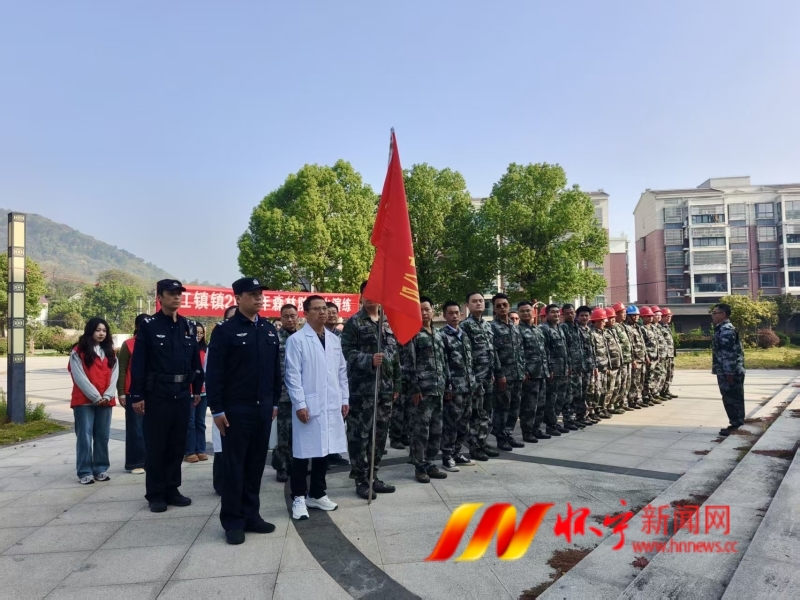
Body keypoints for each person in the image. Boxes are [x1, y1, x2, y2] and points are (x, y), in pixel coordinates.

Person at [206, 277, 281, 544]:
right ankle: (233, 521)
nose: (259, 298)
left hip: (263, 409)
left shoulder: (269, 330)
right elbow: (214, 373)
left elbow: (275, 371)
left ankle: (252, 515)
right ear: (238, 298)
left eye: (261, 294)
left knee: (256, 464)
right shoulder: (225, 331)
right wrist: (217, 409)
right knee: (234, 466)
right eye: (253, 294)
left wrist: (274, 402)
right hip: (236, 410)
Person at [129, 280, 204, 512]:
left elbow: (195, 360)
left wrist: (197, 388)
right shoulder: (149, 326)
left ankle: (172, 489)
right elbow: (139, 362)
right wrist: (137, 395)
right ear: (159, 297)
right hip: (157, 393)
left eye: (179, 293)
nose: (176, 297)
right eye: (171, 293)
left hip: (181, 393)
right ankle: (155, 493)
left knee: (177, 444)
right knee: (156, 445)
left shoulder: (189, 325)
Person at [285, 295, 349, 519]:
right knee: (303, 452)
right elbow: (292, 375)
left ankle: (318, 493)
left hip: (331, 403)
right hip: (308, 404)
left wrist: (344, 399)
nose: (323, 312)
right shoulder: (297, 340)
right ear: (306, 313)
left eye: (325, 308)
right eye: (317, 309)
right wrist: (299, 403)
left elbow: (341, 372)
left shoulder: (333, 340)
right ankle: (299, 497)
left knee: (325, 449)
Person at [340, 281, 401, 499]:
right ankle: (361, 479)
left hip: (385, 389)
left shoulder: (388, 321)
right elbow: (346, 351)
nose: (370, 297)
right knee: (360, 436)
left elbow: (395, 356)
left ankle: (373, 476)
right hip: (362, 390)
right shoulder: (355, 322)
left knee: (380, 435)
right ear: (361, 296)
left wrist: (397, 383)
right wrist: (368, 359)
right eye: (366, 293)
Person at [401, 296, 449, 483]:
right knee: (420, 431)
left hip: (438, 389)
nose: (424, 312)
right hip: (422, 391)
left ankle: (430, 463)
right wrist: (414, 388)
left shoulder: (438, 334)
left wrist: (447, 385)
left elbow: (444, 362)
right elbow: (408, 364)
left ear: (432, 310)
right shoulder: (412, 334)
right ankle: (419, 467)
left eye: (427, 309)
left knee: (436, 430)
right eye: (420, 310)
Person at [69, 318, 118, 484]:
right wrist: (96, 397)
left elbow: (115, 375)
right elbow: (79, 377)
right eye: (98, 330)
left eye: (104, 330)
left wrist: (108, 395)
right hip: (84, 401)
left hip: (106, 401)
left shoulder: (110, 352)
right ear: (90, 331)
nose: (101, 333)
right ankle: (85, 472)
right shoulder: (78, 352)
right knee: (84, 436)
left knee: (102, 436)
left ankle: (100, 468)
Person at [461, 292, 500, 461]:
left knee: (486, 413)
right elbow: (464, 355)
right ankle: (474, 447)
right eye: (474, 301)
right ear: (467, 305)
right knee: (475, 414)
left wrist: (495, 372)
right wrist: (471, 378)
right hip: (475, 378)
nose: (478, 304)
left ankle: (482, 442)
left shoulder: (487, 325)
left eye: (481, 301)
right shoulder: (465, 326)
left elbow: (492, 351)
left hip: (488, 377)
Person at [439, 300, 476, 470]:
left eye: (457, 313)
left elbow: (470, 361)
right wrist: (447, 387)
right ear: (444, 315)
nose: (454, 316)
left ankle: (457, 452)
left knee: (464, 423)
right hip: (453, 388)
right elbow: (443, 363)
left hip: (468, 386)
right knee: (451, 423)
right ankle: (447, 456)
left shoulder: (464, 335)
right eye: (450, 313)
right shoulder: (442, 336)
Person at [489, 293, 525, 450]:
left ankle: (509, 434)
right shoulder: (492, 327)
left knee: (514, 408)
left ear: (509, 306)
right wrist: (500, 374)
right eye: (498, 306)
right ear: (494, 309)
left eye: (505, 304)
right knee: (502, 408)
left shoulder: (514, 326)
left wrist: (522, 370)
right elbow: (493, 353)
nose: (502, 308)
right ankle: (500, 437)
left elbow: (520, 350)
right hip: (504, 376)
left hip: (517, 374)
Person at [117, 313, 149, 474]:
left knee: (151, 428)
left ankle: (149, 460)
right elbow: (122, 369)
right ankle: (135, 462)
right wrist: (121, 392)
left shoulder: (155, 343)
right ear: (137, 326)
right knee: (135, 429)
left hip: (152, 392)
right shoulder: (128, 344)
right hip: (132, 392)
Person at [212, 305, 238, 495]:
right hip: (224, 402)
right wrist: (217, 407)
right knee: (222, 444)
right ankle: (222, 483)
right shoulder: (219, 339)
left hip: (246, 403)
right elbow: (212, 375)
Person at [272, 303, 298, 482]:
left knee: (299, 432)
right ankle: (281, 466)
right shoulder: (275, 338)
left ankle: (297, 464)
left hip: (301, 393)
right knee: (283, 433)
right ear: (280, 318)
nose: (290, 319)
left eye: (293, 316)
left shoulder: (303, 337)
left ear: (298, 317)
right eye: (286, 316)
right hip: (282, 394)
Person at [518, 301, 550, 442]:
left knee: (541, 403)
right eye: (522, 311)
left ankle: (537, 429)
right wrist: (524, 371)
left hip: (541, 372)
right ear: (518, 313)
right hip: (529, 374)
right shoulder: (518, 330)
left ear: (534, 312)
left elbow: (544, 351)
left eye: (528, 310)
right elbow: (518, 353)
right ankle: (527, 432)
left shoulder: (538, 330)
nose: (526, 313)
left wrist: (547, 369)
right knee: (529, 405)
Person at [712, 303, 745, 436]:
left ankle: (736, 424)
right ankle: (737, 423)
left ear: (723, 314)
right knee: (733, 397)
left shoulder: (726, 329)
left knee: (731, 398)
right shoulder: (722, 328)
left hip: (729, 371)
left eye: (715, 313)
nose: (712, 315)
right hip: (728, 369)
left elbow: (728, 353)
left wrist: (729, 372)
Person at [541, 304, 570, 435]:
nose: (556, 314)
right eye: (553, 312)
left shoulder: (560, 328)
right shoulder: (544, 329)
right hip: (553, 370)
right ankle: (550, 425)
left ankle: (555, 422)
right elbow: (545, 350)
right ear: (547, 314)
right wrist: (549, 369)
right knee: (551, 399)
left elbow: (565, 350)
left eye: (558, 312)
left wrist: (567, 366)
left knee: (560, 398)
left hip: (563, 369)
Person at [559, 304, 586, 430]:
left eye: (572, 312)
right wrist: (568, 365)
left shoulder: (576, 327)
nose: (570, 315)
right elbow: (564, 349)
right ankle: (568, 420)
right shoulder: (563, 327)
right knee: (568, 396)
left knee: (577, 394)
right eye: (567, 313)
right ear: (563, 314)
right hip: (569, 368)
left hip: (578, 367)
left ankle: (576, 418)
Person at [185, 323, 209, 463]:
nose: (199, 335)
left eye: (201, 333)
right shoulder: (186, 348)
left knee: (200, 421)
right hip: (189, 391)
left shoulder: (206, 350)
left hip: (203, 391)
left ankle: (201, 449)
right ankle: (189, 451)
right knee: (190, 422)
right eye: (196, 332)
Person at [574, 306, 596, 426]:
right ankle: (578, 416)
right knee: (579, 393)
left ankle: (584, 415)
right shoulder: (575, 330)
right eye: (581, 315)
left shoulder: (589, 330)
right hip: (578, 367)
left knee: (587, 391)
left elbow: (592, 350)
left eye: (586, 315)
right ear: (577, 317)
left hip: (588, 366)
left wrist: (594, 366)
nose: (584, 317)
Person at [588, 308, 611, 419]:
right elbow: (591, 351)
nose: (604, 323)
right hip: (597, 367)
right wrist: (594, 366)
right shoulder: (591, 333)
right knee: (595, 390)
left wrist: (608, 365)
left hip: (604, 366)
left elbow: (606, 351)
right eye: (602, 321)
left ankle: (601, 409)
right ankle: (592, 411)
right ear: (596, 321)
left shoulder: (603, 333)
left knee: (603, 389)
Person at [611, 303, 634, 412]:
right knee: (619, 383)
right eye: (622, 313)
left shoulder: (623, 326)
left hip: (628, 359)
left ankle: (623, 402)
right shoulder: (614, 327)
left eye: (625, 313)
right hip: (621, 361)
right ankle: (615, 404)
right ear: (616, 314)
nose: (624, 315)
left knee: (626, 383)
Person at [623, 305, 647, 410]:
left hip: (642, 358)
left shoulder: (638, 327)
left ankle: (638, 399)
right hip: (635, 359)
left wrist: (646, 356)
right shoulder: (627, 328)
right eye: (633, 315)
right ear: (628, 316)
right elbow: (629, 346)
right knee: (634, 381)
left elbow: (642, 343)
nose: (636, 317)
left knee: (641, 380)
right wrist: (633, 359)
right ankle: (632, 400)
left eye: (637, 315)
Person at [639, 306, 662, 406]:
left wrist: (658, 354)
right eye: (648, 316)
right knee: (648, 378)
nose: (650, 318)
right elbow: (642, 345)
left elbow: (656, 342)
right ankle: (646, 396)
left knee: (655, 376)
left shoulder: (653, 328)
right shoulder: (642, 329)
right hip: (649, 357)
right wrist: (646, 356)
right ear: (643, 317)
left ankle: (652, 394)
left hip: (656, 356)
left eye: (651, 316)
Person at [603, 307, 624, 415]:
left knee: (617, 386)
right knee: (609, 388)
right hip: (610, 365)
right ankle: (604, 408)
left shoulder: (613, 330)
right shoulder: (603, 332)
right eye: (611, 318)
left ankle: (612, 405)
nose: (613, 320)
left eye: (614, 318)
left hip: (618, 363)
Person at [660, 307, 678, 398]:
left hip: (670, 354)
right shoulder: (660, 328)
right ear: (662, 317)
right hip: (665, 355)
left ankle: (666, 390)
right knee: (664, 374)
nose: (668, 318)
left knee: (670, 373)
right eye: (666, 316)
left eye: (670, 316)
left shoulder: (667, 327)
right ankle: (662, 391)